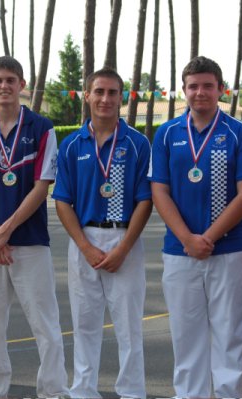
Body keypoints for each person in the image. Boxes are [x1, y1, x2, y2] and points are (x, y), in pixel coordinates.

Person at [148, 56, 242, 398]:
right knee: (186, 335)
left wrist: (208, 238)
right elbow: (159, 191)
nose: (200, 92)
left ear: (220, 90)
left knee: (229, 334)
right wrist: (187, 238)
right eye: (193, 86)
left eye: (208, 86)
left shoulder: (238, 132)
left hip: (228, 250)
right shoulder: (166, 134)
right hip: (180, 251)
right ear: (183, 90)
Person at [0, 55, 68, 398]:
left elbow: (42, 186)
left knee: (45, 326)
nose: (4, 86)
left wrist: (6, 229)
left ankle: (53, 391)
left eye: (11, 79)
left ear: (22, 85)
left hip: (30, 242)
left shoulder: (42, 127)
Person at [53, 68, 152, 398]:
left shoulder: (138, 143)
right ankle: (83, 391)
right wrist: (85, 247)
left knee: (128, 327)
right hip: (85, 241)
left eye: (113, 92)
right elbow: (63, 201)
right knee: (84, 325)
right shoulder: (70, 145)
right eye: (99, 91)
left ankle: (132, 392)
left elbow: (145, 200)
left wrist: (123, 247)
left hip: (125, 241)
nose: (106, 99)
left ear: (122, 97)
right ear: (87, 95)